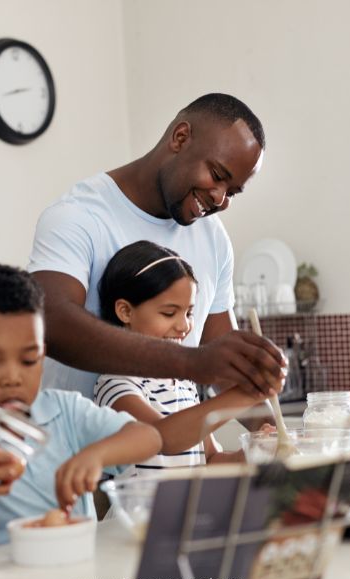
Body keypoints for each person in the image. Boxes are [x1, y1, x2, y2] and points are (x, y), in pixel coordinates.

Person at [28, 93, 286, 404]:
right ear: (180, 138)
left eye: (232, 192)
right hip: (77, 450)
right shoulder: (79, 216)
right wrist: (189, 362)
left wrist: (273, 435)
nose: (220, 199)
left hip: (170, 455)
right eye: (218, 176)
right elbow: (51, 322)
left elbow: (224, 368)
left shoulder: (213, 238)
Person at [0, 263, 161, 563]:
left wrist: (97, 455)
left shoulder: (65, 411)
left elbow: (149, 437)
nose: (12, 378)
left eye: (29, 360)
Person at [95, 241, 266, 472]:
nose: (184, 325)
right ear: (125, 311)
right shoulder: (115, 385)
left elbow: (211, 459)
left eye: (189, 312)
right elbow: (164, 436)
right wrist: (247, 393)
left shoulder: (183, 382)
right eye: (169, 313)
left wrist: (255, 452)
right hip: (141, 509)